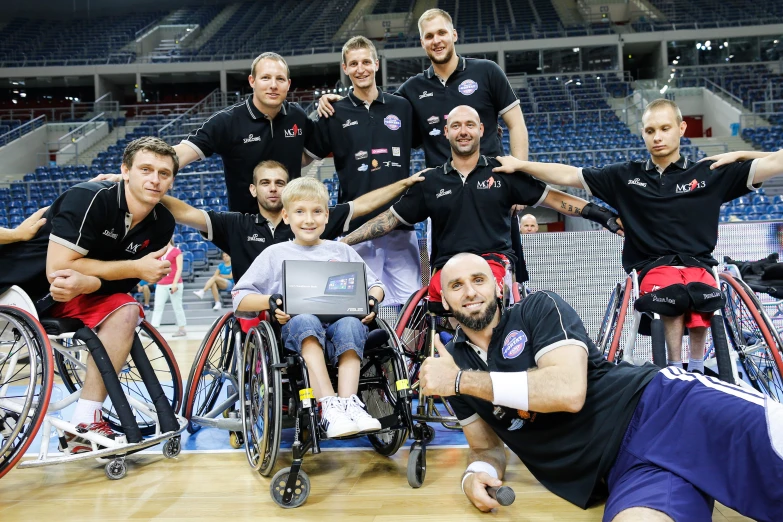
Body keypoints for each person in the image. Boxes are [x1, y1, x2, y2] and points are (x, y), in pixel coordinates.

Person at [418, 253, 783, 521]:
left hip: (661, 406)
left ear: (498, 286)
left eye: (478, 280)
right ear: (445, 300)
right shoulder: (451, 363)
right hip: (618, 471)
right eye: (456, 285)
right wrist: (473, 475)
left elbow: (567, 392)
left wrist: (460, 382)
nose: (469, 291)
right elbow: (485, 447)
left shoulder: (537, 309)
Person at [492, 98, 783, 373]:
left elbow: (776, 163)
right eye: (650, 130)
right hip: (653, 267)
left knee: (703, 294)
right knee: (673, 296)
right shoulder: (625, 177)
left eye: (665, 129)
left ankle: (696, 368)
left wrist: (744, 154)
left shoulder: (711, 173)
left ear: (681, 129)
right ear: (643, 135)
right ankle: (674, 367)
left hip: (699, 266)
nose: (657, 136)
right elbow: (569, 174)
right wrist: (521, 165)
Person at [318, 8, 532, 282]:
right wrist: (341, 103)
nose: (437, 40)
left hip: (493, 193)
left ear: (453, 34)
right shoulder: (411, 90)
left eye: (442, 32)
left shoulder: (487, 72)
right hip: (445, 199)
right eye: (429, 36)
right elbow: (376, 112)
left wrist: (519, 178)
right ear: (422, 42)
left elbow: (516, 125)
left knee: (506, 278)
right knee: (447, 281)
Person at [341, 105, 621, 304]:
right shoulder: (430, 182)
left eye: (470, 125)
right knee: (448, 295)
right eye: (457, 126)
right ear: (446, 132)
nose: (464, 132)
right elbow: (388, 220)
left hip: (494, 265)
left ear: (481, 130)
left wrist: (602, 215)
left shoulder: (503, 173)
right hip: (448, 269)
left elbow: (554, 198)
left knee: (480, 293)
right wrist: (345, 241)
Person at [0, 136, 177, 449]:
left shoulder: (163, 222)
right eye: (146, 169)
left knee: (126, 310)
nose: (154, 179)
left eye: (164, 173)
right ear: (125, 170)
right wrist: (134, 268)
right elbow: (58, 267)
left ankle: (85, 420)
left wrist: (91, 284)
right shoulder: (89, 197)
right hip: (22, 287)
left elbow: (121, 285)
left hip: (76, 292)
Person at [233, 177, 385, 438]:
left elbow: (376, 285)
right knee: (305, 321)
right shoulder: (274, 254)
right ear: (286, 216)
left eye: (317, 212)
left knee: (351, 324)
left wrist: (372, 300)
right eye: (300, 212)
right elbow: (240, 297)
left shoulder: (342, 250)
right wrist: (270, 301)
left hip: (340, 325)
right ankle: (328, 406)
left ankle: (349, 404)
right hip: (298, 330)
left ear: (326, 216)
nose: (309, 220)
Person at [160, 159, 424, 284]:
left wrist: (404, 183)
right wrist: (143, 190)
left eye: (279, 183)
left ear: (289, 188)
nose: (273, 189)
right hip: (259, 313)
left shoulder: (308, 220)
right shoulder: (235, 225)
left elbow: (363, 205)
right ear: (253, 190)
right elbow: (184, 212)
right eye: (265, 183)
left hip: (307, 306)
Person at [305, 36, 420, 306]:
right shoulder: (333, 112)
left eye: (366, 62)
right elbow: (303, 158)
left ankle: (411, 351)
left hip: (400, 224)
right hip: (355, 229)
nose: (361, 69)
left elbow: (435, 136)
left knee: (413, 307)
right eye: (354, 63)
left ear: (376, 64)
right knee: (356, 307)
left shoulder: (402, 106)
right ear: (345, 68)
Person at [175, 52, 312, 214]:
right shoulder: (227, 121)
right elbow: (180, 153)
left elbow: (306, 154)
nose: (273, 85)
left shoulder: (297, 116)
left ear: (288, 84)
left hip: (290, 223)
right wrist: (152, 167)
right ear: (252, 81)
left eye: (280, 79)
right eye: (266, 78)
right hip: (245, 227)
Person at [150, 239, 187, 337]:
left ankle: (182, 329)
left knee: (177, 306)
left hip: (174, 283)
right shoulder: (160, 252)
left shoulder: (176, 251)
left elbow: (179, 269)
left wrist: (174, 283)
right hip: (161, 283)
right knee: (158, 307)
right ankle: (153, 331)